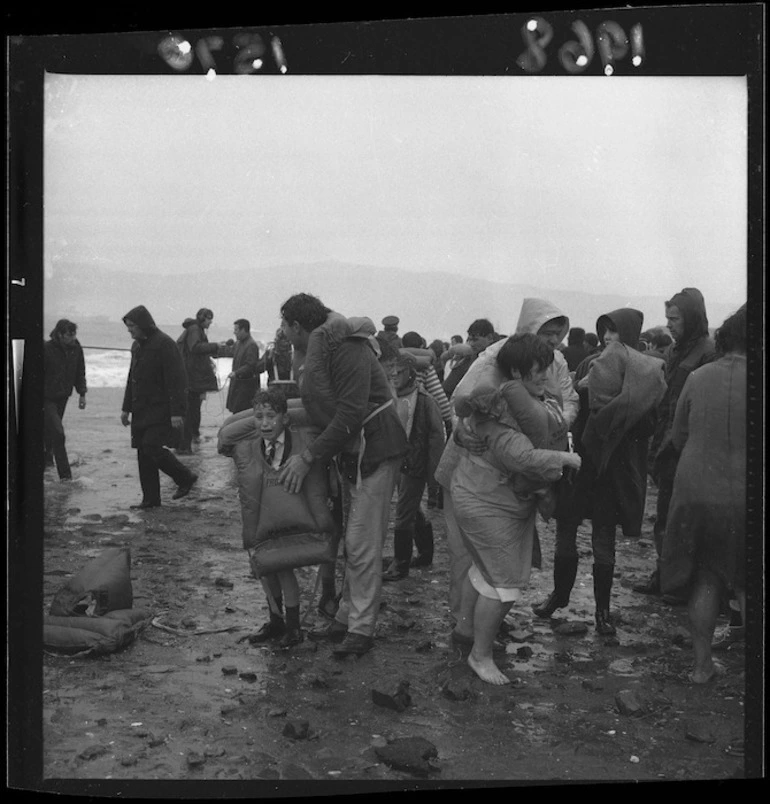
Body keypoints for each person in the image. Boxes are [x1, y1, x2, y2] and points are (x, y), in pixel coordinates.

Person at [276, 293, 408, 657]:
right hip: (352, 455)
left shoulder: (348, 349)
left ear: (297, 326)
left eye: (284, 326)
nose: (283, 334)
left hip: (376, 450)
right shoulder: (321, 350)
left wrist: (307, 456)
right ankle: (346, 617)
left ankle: (361, 630)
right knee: (353, 540)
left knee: (362, 543)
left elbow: (349, 414)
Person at [449, 334, 582, 685]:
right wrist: (565, 458)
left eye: (547, 369)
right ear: (517, 371)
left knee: (484, 571)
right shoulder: (501, 405)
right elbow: (520, 457)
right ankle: (480, 655)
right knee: (504, 584)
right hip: (487, 502)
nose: (544, 376)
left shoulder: (528, 399)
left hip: (488, 497)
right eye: (537, 370)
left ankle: (465, 634)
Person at [531, 308, 667, 635]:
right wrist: (583, 388)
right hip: (581, 462)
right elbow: (571, 408)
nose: (607, 338)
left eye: (614, 333)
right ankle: (559, 595)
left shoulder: (646, 373)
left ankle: (603, 612)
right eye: (604, 331)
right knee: (566, 528)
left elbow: (648, 426)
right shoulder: (588, 364)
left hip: (614, 469)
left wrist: (621, 409)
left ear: (630, 336)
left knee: (603, 537)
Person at [660, 304, 746, 683]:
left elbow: (677, 437)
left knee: (706, 578)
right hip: (745, 493)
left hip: (696, 490)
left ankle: (701, 666)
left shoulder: (698, 377)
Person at [634, 288, 716, 597]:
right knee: (665, 517)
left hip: (689, 447)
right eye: (667, 318)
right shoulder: (674, 352)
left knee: (686, 520)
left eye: (675, 319)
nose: (669, 324)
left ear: (692, 318)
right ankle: (666, 577)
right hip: (665, 444)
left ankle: (684, 584)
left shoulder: (708, 352)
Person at [245, 388, 307, 649]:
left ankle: (294, 628)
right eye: (259, 417)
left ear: (285, 418)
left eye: (271, 416)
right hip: (263, 519)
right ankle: (276, 620)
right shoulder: (254, 447)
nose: (265, 423)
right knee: (266, 569)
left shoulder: (297, 445)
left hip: (287, 517)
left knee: (284, 568)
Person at [121, 305, 198, 508]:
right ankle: (151, 499)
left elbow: (178, 380)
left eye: (132, 327)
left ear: (143, 325)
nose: (129, 330)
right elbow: (132, 379)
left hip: (161, 409)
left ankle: (185, 477)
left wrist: (177, 412)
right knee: (142, 452)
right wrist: (125, 408)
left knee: (151, 447)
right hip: (140, 409)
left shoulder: (165, 344)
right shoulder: (137, 346)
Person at [381, 352, 446, 581]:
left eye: (400, 371)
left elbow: (437, 439)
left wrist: (435, 476)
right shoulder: (392, 396)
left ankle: (401, 564)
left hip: (414, 464)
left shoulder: (426, 401)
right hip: (397, 462)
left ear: (411, 373)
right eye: (392, 371)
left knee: (403, 513)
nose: (395, 375)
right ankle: (426, 553)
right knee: (410, 508)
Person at [44, 319, 87, 481]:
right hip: (46, 397)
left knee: (51, 433)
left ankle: (46, 462)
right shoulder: (46, 349)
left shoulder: (76, 348)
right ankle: (66, 476)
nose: (73, 338)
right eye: (69, 335)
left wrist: (82, 394)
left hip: (63, 396)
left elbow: (80, 371)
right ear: (60, 335)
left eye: (74, 334)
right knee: (58, 433)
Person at [176, 308, 225, 453]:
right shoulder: (195, 329)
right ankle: (185, 444)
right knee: (191, 409)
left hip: (191, 376)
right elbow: (195, 347)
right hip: (191, 377)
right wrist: (215, 346)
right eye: (209, 319)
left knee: (192, 408)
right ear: (203, 318)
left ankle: (188, 441)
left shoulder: (195, 329)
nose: (210, 322)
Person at [443, 319, 496, 397]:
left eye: (475, 340)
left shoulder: (496, 359)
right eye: (469, 340)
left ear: (489, 338)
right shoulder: (467, 358)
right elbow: (447, 389)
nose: (471, 343)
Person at [225, 319, 261, 414]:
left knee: (242, 412)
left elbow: (251, 366)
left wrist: (236, 373)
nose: (234, 332)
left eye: (236, 330)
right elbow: (229, 352)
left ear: (244, 330)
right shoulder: (238, 343)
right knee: (236, 412)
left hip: (246, 387)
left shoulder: (251, 345)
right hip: (237, 384)